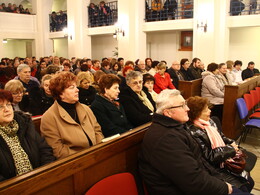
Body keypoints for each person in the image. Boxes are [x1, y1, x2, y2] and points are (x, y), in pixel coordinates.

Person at [138, 89, 251, 195]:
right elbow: (191, 179)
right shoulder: (166, 139)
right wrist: (223, 187)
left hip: (200, 180)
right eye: (182, 105)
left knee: (245, 184)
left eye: (185, 104)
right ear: (168, 113)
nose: (187, 109)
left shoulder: (175, 127)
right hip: (182, 190)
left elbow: (200, 163)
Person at [186, 96, 254, 192]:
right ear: (196, 113)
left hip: (223, 159)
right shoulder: (193, 132)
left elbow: (222, 137)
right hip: (214, 168)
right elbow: (211, 156)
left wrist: (232, 143)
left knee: (250, 182)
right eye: (206, 110)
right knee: (244, 187)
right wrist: (231, 149)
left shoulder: (209, 122)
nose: (210, 111)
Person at [40, 72, 104, 159]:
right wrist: (86, 157)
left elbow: (97, 131)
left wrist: (98, 150)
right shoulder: (49, 117)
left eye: (76, 86)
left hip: (97, 155)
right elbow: (58, 150)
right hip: (74, 162)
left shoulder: (85, 109)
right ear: (60, 93)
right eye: (72, 87)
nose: (77, 90)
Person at [0, 89, 55, 181]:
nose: (6, 109)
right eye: (0, 107)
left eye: (8, 104)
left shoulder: (24, 124)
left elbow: (45, 150)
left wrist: (45, 175)